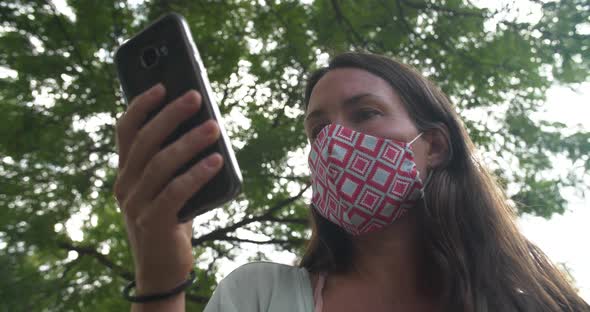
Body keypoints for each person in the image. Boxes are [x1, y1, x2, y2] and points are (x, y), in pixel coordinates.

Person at [113, 52, 589, 312]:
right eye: (318, 130)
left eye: (365, 113)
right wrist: (159, 282)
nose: (336, 141)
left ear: (435, 145)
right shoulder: (258, 296)